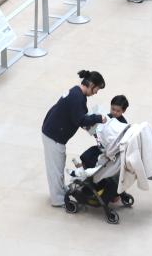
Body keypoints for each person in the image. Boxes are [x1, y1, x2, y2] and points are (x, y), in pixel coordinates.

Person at [41, 70, 106, 206]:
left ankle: (60, 191)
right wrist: (98, 118)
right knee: (56, 169)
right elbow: (80, 120)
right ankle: (58, 200)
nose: (96, 93)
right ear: (91, 85)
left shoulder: (77, 93)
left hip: (53, 132)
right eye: (97, 89)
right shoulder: (77, 97)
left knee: (58, 166)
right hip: (54, 136)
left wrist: (93, 127)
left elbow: (78, 117)